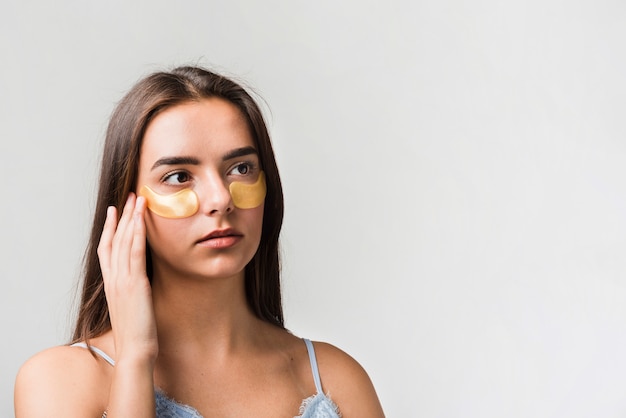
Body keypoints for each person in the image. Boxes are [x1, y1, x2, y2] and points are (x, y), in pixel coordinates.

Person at [14, 66, 385, 417]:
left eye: (241, 169)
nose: (221, 198)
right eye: (178, 176)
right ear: (127, 202)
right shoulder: (58, 380)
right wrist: (135, 359)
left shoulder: (338, 379)